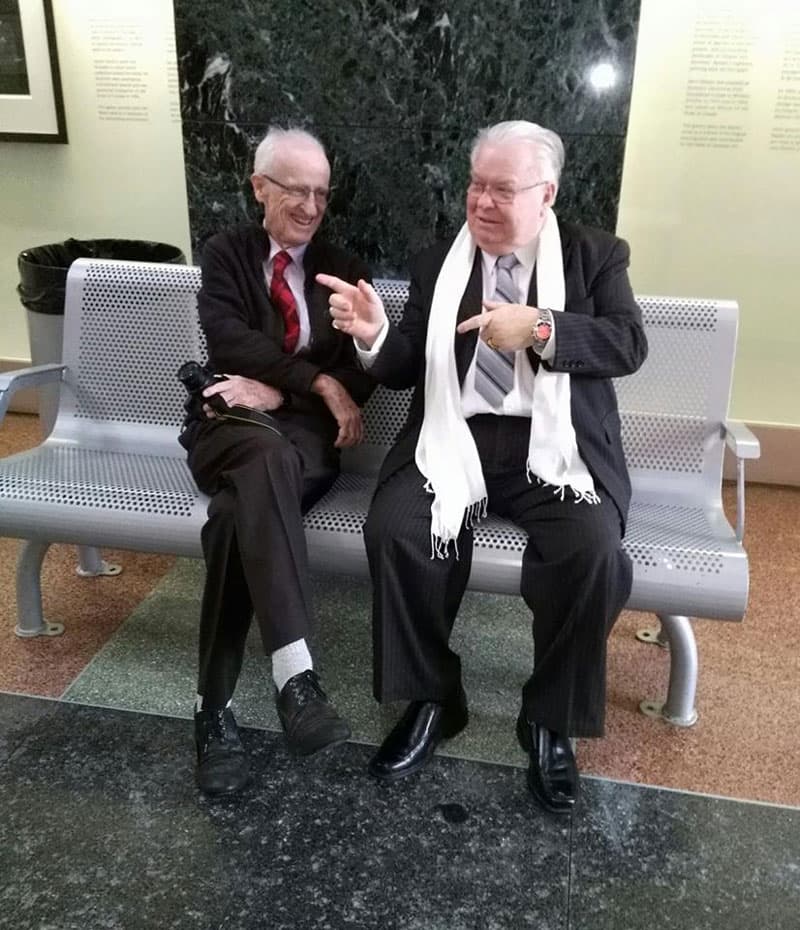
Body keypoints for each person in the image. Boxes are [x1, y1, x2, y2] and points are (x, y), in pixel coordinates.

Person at [318, 120, 648, 814]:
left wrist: (543, 329)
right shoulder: (442, 258)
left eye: (503, 189)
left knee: (591, 553)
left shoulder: (594, 256)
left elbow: (627, 343)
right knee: (398, 532)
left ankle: (550, 719)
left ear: (546, 193)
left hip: (554, 451)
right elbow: (407, 365)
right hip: (454, 437)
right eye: (476, 185)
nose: (483, 202)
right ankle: (433, 698)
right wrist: (375, 335)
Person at [180, 127, 374, 796]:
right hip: (230, 423)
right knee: (261, 451)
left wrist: (291, 385)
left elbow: (358, 369)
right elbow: (227, 338)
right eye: (298, 191)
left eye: (322, 193)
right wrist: (313, 382)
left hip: (303, 443)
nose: (313, 207)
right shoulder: (227, 253)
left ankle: (212, 712)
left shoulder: (341, 264)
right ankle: (296, 678)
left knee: (239, 513)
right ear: (259, 186)